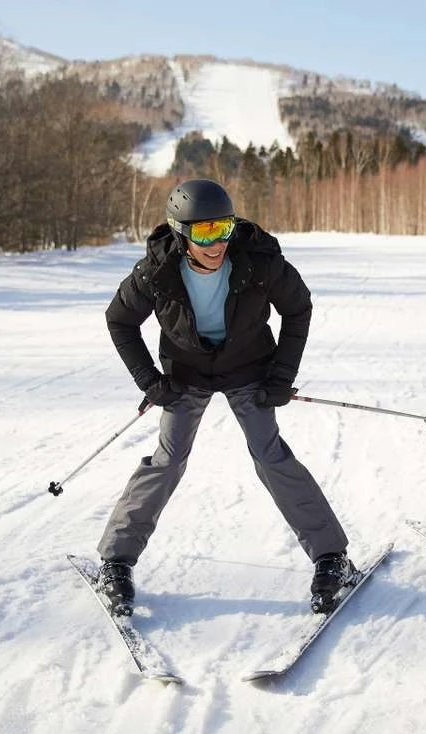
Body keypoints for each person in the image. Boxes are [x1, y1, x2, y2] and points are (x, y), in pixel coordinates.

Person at [96, 178, 356, 615]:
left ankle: (332, 556)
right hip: (186, 373)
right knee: (168, 459)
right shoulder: (156, 270)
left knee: (269, 454)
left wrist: (281, 374)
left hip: (248, 367)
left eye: (223, 228)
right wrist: (149, 380)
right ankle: (115, 561)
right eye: (203, 233)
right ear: (181, 233)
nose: (216, 242)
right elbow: (119, 320)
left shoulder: (258, 260)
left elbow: (299, 307)